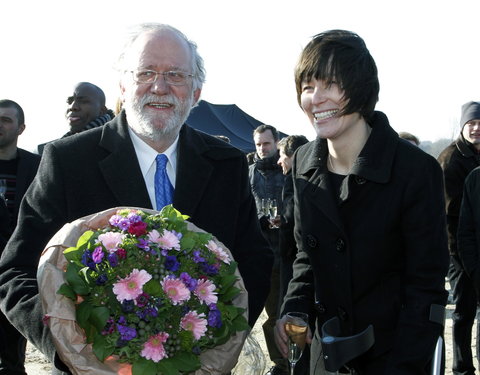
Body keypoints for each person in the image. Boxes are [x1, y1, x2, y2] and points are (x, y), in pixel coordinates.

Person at [0, 23, 273, 375]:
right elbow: (15, 271)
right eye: (146, 72)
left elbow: (253, 260)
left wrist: (217, 345)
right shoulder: (68, 161)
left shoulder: (226, 163)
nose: (159, 87)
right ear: (124, 85)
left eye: (175, 74)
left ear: (196, 92)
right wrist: (72, 352)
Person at [274, 30, 449, 374]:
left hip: (394, 355)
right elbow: (306, 257)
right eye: (308, 87)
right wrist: (294, 309)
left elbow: (426, 287)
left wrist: (405, 364)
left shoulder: (415, 170)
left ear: (360, 87)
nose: (316, 98)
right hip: (325, 355)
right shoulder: (304, 163)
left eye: (330, 84)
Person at [437, 101, 480, 375]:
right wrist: (463, 258)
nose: (476, 129)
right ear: (463, 126)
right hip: (458, 247)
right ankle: (462, 368)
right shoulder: (450, 159)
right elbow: (451, 214)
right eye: (471, 124)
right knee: (464, 310)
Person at [0, 99, 40, 375]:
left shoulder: (38, 166)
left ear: (21, 128)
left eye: (6, 120)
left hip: (18, 269)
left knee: (13, 354)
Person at [249, 124, 286, 375]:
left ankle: (287, 363)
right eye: (259, 144)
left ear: (276, 142)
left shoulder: (287, 170)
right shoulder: (248, 173)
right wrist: (259, 219)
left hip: (286, 253)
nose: (263, 149)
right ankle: (279, 363)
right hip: (258, 254)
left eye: (267, 143)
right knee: (265, 315)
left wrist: (287, 217)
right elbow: (243, 210)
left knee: (284, 313)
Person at [36, 82, 115, 154]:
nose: (73, 107)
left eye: (83, 101)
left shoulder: (117, 143)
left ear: (102, 110)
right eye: (69, 101)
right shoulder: (51, 150)